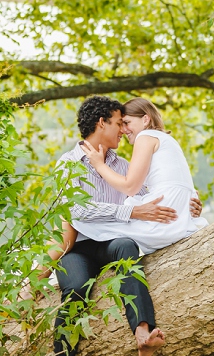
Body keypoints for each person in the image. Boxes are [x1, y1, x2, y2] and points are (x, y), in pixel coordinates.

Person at [37, 96, 203, 356]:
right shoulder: (67, 164)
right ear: (102, 123)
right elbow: (77, 209)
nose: (123, 130)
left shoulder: (123, 166)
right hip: (80, 248)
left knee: (127, 249)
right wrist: (132, 213)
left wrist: (189, 204)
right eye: (118, 122)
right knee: (75, 289)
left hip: (114, 240)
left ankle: (143, 332)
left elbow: (152, 198)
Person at [74, 97, 207, 254]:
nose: (123, 130)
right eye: (120, 124)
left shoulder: (145, 137)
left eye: (127, 122)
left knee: (79, 221)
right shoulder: (166, 140)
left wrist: (99, 165)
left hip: (164, 222)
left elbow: (130, 187)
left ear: (145, 119)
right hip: (180, 218)